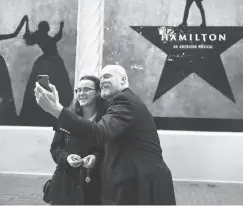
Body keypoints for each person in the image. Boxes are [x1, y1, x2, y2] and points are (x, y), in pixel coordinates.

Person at [35, 65, 176, 205]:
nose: (102, 80)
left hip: (142, 185)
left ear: (123, 80)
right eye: (101, 77)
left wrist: (57, 110)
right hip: (75, 186)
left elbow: (100, 133)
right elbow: (109, 142)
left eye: (107, 76)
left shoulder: (124, 101)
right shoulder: (117, 105)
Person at [49, 75, 106, 205]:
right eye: (78, 90)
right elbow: (55, 148)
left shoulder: (106, 119)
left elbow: (111, 149)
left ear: (98, 93)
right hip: (65, 184)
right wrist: (67, 158)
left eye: (86, 89)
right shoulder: (67, 117)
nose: (81, 93)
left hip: (94, 185)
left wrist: (96, 158)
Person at [18, 19, 73, 126]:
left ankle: (51, 110)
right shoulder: (42, 37)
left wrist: (61, 27)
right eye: (47, 26)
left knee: (52, 86)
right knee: (54, 85)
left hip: (49, 61)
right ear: (45, 28)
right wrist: (27, 24)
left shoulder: (41, 37)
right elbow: (57, 37)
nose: (48, 28)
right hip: (52, 62)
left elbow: (56, 37)